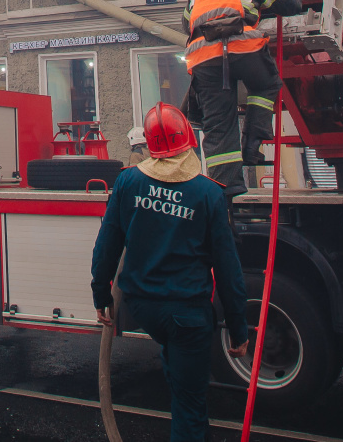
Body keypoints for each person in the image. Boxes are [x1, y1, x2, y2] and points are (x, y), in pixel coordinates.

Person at [92, 103, 252, 442]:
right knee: (189, 405)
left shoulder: (128, 182)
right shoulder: (209, 193)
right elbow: (227, 269)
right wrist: (239, 330)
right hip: (187, 312)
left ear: (149, 145)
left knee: (175, 358)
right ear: (189, 141)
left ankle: (177, 373)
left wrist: (101, 295)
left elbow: (107, 243)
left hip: (143, 307)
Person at [181, 0, 300, 195]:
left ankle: (226, 190)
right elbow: (292, 3)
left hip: (203, 58)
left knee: (217, 125)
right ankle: (252, 145)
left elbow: (187, 25)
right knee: (266, 85)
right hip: (243, 48)